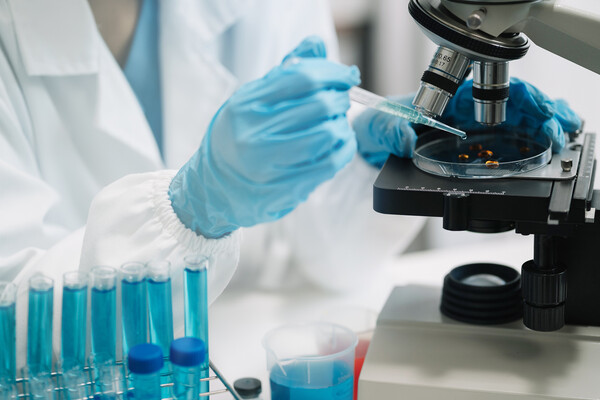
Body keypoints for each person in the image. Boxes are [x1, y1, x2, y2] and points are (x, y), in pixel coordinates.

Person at [0, 0, 579, 359]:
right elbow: (14, 329)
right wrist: (190, 210)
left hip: (271, 343)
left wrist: (358, 152)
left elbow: (321, 253)